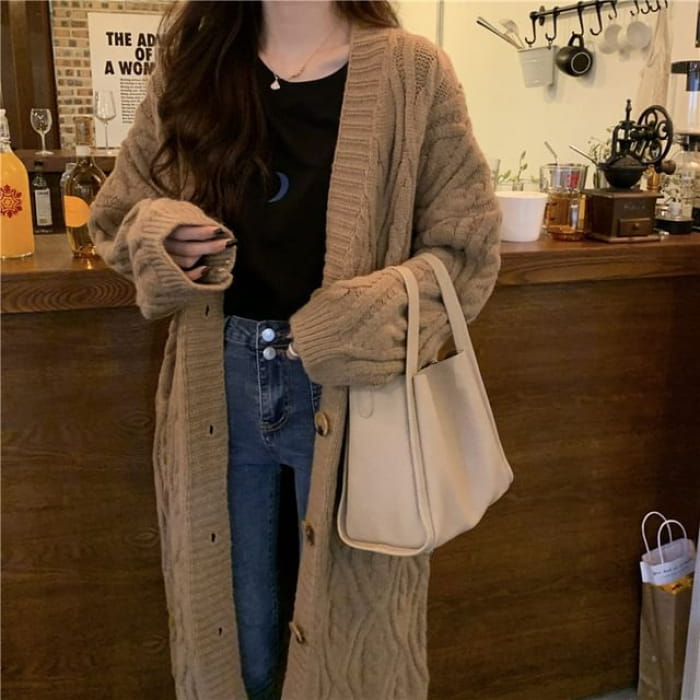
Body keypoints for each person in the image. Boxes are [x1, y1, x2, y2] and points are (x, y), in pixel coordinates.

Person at [89, 1, 501, 699]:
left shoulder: (414, 72)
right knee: (237, 646)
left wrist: (358, 323)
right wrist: (161, 237)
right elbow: (117, 215)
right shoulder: (192, 65)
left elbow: (466, 251)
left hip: (356, 391)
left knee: (348, 652)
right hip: (217, 383)